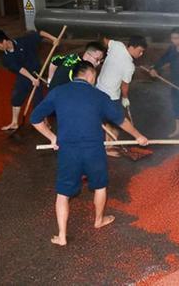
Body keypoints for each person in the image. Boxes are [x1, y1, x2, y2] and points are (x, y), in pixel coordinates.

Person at [31, 61, 148, 246]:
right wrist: (138, 136)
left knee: (63, 194)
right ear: (91, 75)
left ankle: (62, 236)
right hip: (93, 150)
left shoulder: (58, 92)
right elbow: (120, 119)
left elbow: (35, 118)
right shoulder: (99, 95)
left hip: (68, 150)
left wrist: (52, 138)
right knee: (100, 186)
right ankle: (99, 220)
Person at [0, 29, 58, 130]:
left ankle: (44, 122)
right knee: (16, 97)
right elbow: (20, 69)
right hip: (24, 76)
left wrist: (54, 39)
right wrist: (31, 79)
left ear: (4, 41)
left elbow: (39, 33)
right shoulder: (6, 58)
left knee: (38, 101)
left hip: (36, 74)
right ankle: (14, 122)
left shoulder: (24, 41)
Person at [96, 35, 147, 156]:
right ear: (133, 47)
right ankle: (109, 147)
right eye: (140, 51)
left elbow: (103, 40)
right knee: (120, 120)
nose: (141, 54)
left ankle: (109, 145)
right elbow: (124, 86)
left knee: (106, 121)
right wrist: (125, 97)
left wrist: (100, 55)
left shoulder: (117, 45)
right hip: (111, 96)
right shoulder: (129, 66)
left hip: (98, 89)